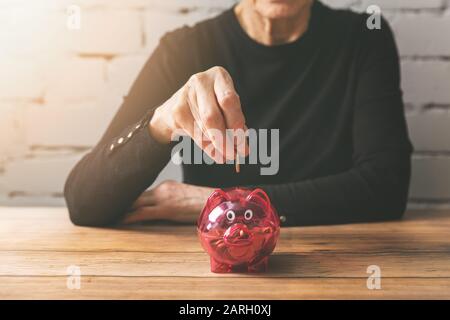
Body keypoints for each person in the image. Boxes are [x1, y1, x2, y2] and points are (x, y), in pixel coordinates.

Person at [64, 0, 413, 227]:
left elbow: (385, 189)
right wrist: (163, 122)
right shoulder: (184, 49)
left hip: (337, 260)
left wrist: (221, 204)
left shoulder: (364, 38)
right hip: (214, 267)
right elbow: (85, 202)